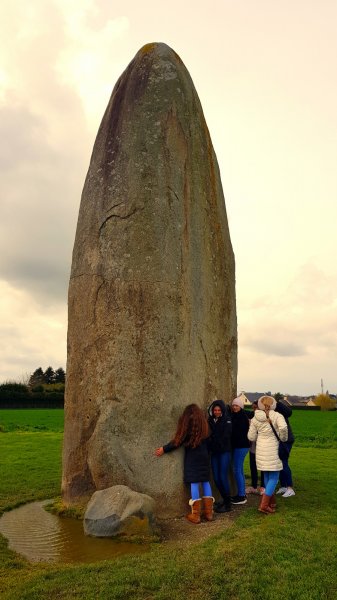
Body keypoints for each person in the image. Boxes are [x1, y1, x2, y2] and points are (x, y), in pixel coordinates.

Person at [155, 403, 214, 524]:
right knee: (205, 481)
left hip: (193, 458)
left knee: (194, 482)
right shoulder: (205, 425)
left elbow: (178, 441)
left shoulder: (188, 426)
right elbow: (210, 442)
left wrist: (164, 449)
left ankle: (196, 515)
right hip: (204, 457)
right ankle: (209, 513)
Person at [248, 395, 288, 514]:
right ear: (273, 404)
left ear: (260, 404)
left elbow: (251, 436)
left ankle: (271, 502)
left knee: (266, 475)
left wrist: (259, 435)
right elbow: (284, 428)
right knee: (274, 478)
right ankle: (264, 505)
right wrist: (283, 438)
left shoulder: (255, 418)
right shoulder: (277, 416)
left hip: (260, 450)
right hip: (273, 449)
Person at [207, 400, 232, 513]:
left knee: (222, 477)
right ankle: (224, 499)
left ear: (222, 410)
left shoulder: (227, 420)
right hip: (214, 452)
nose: (217, 412)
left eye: (219, 410)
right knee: (216, 478)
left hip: (224, 451)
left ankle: (228, 504)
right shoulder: (210, 420)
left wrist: (215, 441)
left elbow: (226, 436)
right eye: (215, 410)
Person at [230, 396, 250, 504]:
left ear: (241, 406)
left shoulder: (241, 417)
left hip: (241, 446)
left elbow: (237, 432)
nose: (234, 407)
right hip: (240, 446)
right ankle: (242, 493)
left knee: (236, 469)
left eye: (236, 405)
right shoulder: (237, 415)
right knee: (240, 470)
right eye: (233, 405)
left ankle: (241, 496)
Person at [275, 398, 295, 497]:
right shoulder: (269, 411)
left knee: (284, 462)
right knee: (280, 463)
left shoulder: (279, 410)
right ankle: (283, 486)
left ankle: (290, 488)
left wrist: (276, 403)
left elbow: (289, 412)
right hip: (279, 440)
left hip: (286, 440)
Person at [246, 400, 264, 495]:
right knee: (253, 466)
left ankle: (263, 487)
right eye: (253, 408)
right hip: (253, 445)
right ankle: (254, 486)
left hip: (262, 446)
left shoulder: (264, 418)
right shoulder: (252, 416)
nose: (254, 410)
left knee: (263, 467)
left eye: (256, 408)